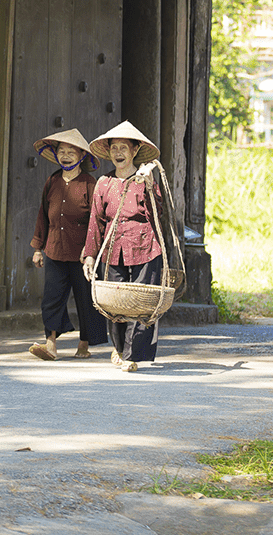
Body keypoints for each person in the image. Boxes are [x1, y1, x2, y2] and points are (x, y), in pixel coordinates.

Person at [82, 120, 167, 372]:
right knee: (115, 302)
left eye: (123, 148)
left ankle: (133, 355)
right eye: (114, 148)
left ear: (134, 151)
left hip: (144, 247)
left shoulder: (145, 181)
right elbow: (95, 221)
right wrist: (89, 256)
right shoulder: (103, 184)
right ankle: (119, 349)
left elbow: (157, 214)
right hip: (112, 249)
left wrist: (150, 185)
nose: (118, 152)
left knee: (141, 303)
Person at [28, 129, 107, 361]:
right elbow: (43, 215)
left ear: (81, 155)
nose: (65, 155)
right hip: (54, 249)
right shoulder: (52, 181)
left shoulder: (90, 184)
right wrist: (37, 248)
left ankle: (84, 343)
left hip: (83, 255)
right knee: (51, 298)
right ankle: (50, 344)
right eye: (61, 151)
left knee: (86, 300)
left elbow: (97, 219)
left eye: (71, 152)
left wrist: (91, 249)